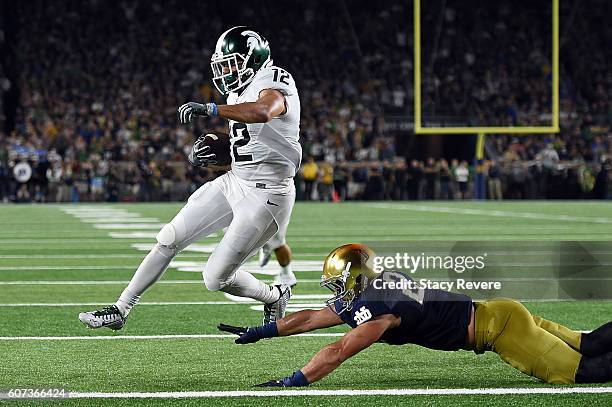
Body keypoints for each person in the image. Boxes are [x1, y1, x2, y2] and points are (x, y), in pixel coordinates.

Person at [79, 26, 300, 329]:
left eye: (233, 63)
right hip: (237, 180)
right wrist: (213, 148)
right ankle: (121, 308)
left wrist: (212, 108)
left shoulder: (273, 80)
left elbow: (263, 112)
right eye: (223, 65)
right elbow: (249, 142)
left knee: (215, 278)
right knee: (169, 238)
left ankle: (274, 295)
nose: (227, 71)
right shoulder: (239, 89)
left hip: (267, 195)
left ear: (255, 59)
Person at [219, 244, 612, 386]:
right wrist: (264, 331)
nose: (338, 294)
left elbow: (339, 350)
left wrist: (295, 380)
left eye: (342, 283)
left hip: (500, 329)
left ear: (358, 278)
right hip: (499, 313)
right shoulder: (383, 283)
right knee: (591, 342)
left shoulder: (381, 311)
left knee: (582, 372)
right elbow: (310, 319)